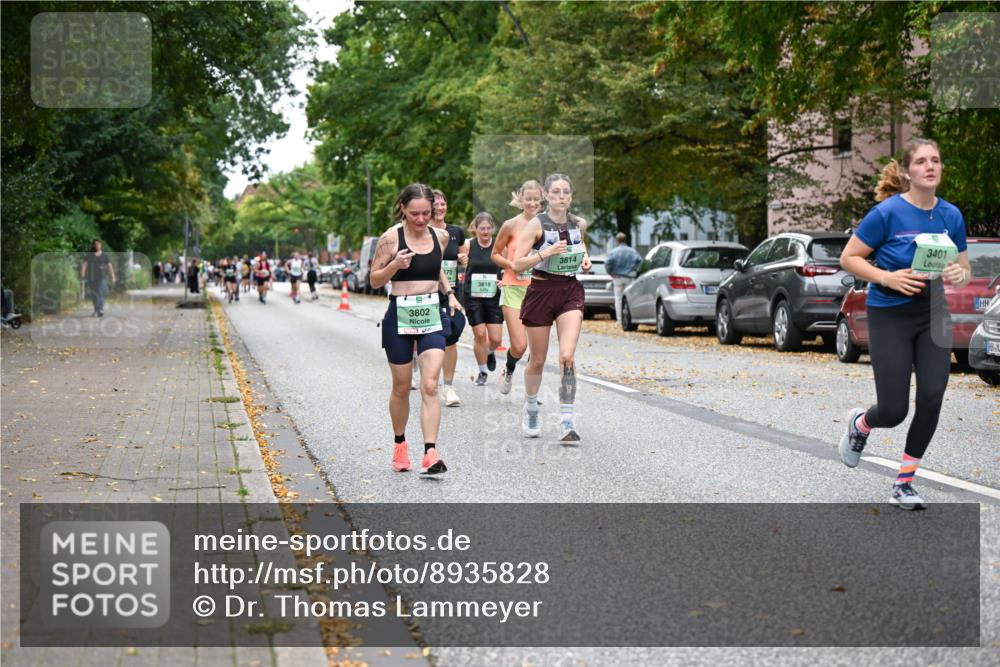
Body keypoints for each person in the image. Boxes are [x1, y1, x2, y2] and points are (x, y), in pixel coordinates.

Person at [838, 138, 971, 510]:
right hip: (890, 314)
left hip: (933, 313)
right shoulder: (887, 213)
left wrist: (958, 275)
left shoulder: (951, 216)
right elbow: (850, 258)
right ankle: (862, 424)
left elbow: (963, 269)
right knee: (894, 410)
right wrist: (887, 277)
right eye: (922, 161)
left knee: (931, 396)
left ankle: (904, 482)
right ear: (908, 171)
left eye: (936, 160)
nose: (931, 166)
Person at [369, 183, 462, 475]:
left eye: (426, 213)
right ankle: (400, 444)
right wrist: (395, 265)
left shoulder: (441, 236)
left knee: (430, 385)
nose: (421, 219)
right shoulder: (389, 239)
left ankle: (430, 452)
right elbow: (373, 280)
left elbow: (435, 269)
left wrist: (450, 294)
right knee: (400, 386)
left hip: (432, 313)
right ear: (403, 210)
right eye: (414, 214)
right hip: (401, 314)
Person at [510, 174, 591, 442]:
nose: (561, 196)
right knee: (538, 360)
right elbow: (517, 264)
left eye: (566, 192)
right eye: (555, 192)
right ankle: (532, 406)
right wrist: (546, 253)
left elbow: (580, 249)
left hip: (569, 290)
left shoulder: (579, 224)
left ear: (571, 196)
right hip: (541, 291)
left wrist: (586, 260)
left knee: (567, 356)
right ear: (546, 195)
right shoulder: (536, 224)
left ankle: (567, 420)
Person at [492, 180, 543, 394]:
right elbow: (494, 254)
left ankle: (532, 391)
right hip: (514, 288)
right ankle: (510, 368)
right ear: (521, 199)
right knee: (520, 345)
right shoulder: (510, 225)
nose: (532, 203)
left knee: (537, 349)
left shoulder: (548, 224)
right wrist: (511, 264)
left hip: (540, 291)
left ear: (542, 199)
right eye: (528, 199)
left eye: (536, 199)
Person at [428, 189, 467, 407]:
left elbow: (462, 258)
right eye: (436, 204)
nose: (441, 208)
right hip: (428, 291)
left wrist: (462, 259)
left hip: (452, 291)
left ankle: (448, 386)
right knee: (430, 337)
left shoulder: (456, 232)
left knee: (452, 335)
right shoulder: (422, 231)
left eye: (444, 204)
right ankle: (421, 368)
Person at [460, 212, 504, 386]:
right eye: (482, 228)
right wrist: (460, 260)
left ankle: (490, 351)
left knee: (495, 339)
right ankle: (483, 371)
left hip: (493, 296)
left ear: (492, 229)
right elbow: (459, 262)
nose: (485, 232)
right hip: (473, 296)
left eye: (488, 228)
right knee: (479, 335)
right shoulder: (468, 245)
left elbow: (508, 266)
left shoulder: (499, 246)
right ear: (475, 229)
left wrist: (504, 280)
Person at [605, 232, 643, 325]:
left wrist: (611, 273)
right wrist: (635, 272)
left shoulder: (614, 252)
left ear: (617, 241)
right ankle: (629, 318)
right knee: (629, 298)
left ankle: (620, 320)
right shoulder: (632, 251)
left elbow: (607, 263)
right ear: (626, 240)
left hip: (617, 277)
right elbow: (640, 262)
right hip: (629, 277)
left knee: (618, 299)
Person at [80, 239, 115, 317]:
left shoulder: (104, 256)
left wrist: (113, 276)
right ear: (93, 245)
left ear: (100, 245)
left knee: (99, 293)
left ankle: (99, 310)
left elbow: (110, 266)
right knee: (93, 295)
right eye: (95, 244)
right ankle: (98, 310)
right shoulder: (89, 256)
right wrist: (82, 274)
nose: (97, 245)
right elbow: (84, 265)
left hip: (102, 278)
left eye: (98, 244)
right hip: (91, 278)